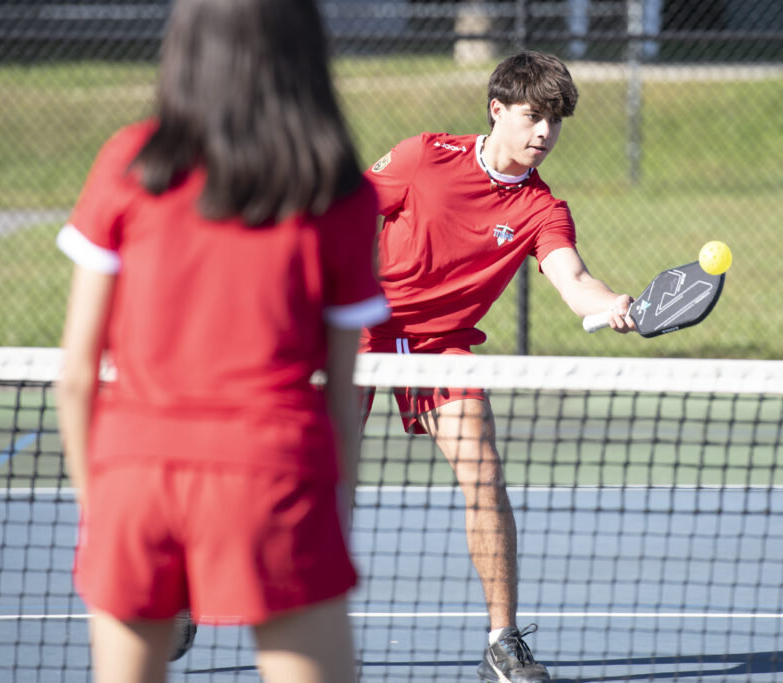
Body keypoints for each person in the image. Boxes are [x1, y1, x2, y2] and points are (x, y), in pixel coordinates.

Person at [54, 1, 387, 681]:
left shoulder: (130, 160)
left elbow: (76, 374)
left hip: (134, 475)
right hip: (273, 478)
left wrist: (104, 507)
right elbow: (341, 400)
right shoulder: (338, 189)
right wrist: (329, 529)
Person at [360, 50, 635, 683]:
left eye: (556, 122)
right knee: (310, 479)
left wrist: (614, 304)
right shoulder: (422, 157)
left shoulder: (542, 209)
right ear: (497, 110)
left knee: (484, 473)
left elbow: (575, 281)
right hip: (360, 332)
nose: (545, 134)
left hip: (442, 347)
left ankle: (502, 642)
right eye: (534, 117)